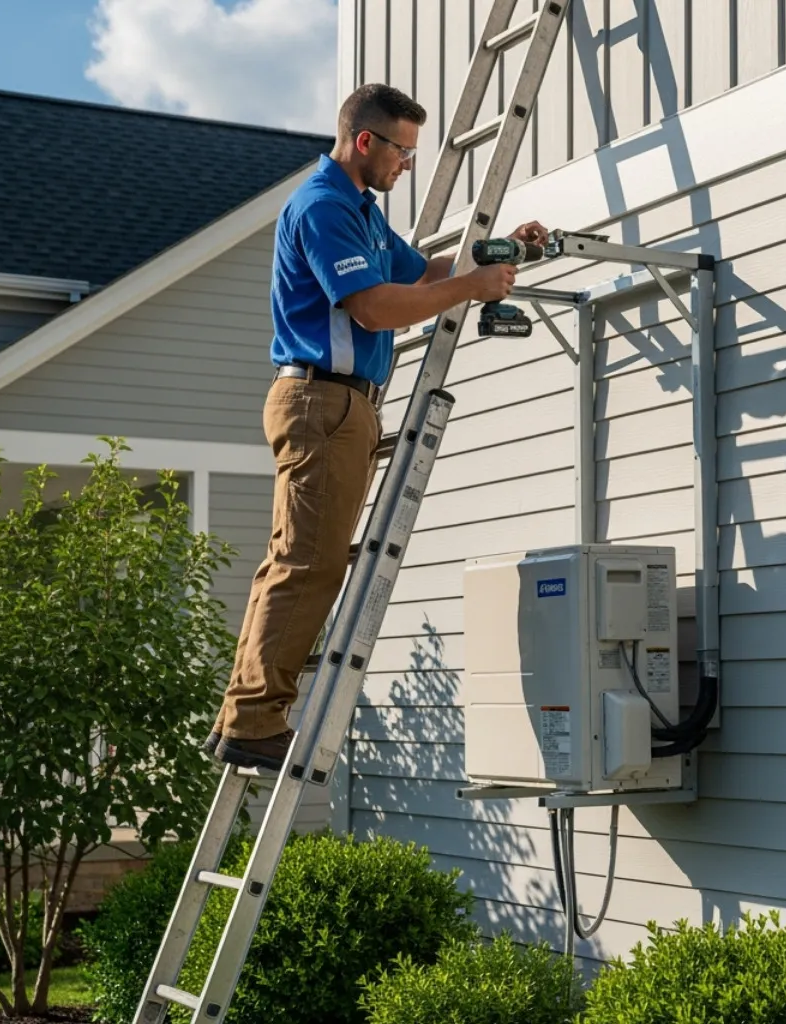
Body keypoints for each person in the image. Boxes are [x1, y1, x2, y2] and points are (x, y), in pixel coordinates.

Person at [206, 83, 548, 772]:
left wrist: (506, 252)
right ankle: (254, 720)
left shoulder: (358, 210)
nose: (407, 164)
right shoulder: (323, 206)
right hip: (322, 402)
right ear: (365, 141)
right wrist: (469, 291)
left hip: (338, 403)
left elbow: (424, 273)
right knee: (309, 565)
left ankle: (245, 715)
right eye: (401, 150)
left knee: (296, 562)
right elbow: (372, 308)